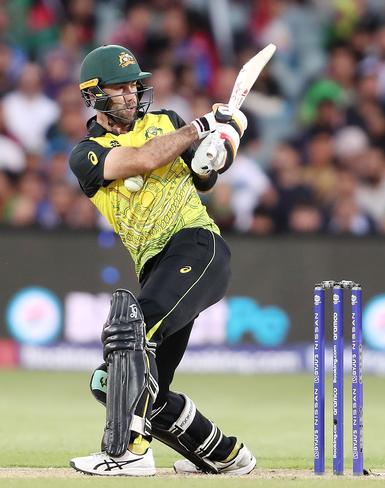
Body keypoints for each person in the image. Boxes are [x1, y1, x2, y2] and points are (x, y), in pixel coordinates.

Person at [67, 44, 255, 476]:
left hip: (195, 245)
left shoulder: (165, 122)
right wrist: (203, 125)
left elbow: (205, 179)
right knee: (117, 381)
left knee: (133, 335)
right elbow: (143, 159)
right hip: (155, 264)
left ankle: (130, 451)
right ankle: (224, 455)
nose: (131, 94)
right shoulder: (87, 153)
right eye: (119, 88)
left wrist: (217, 155)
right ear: (94, 95)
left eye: (134, 84)